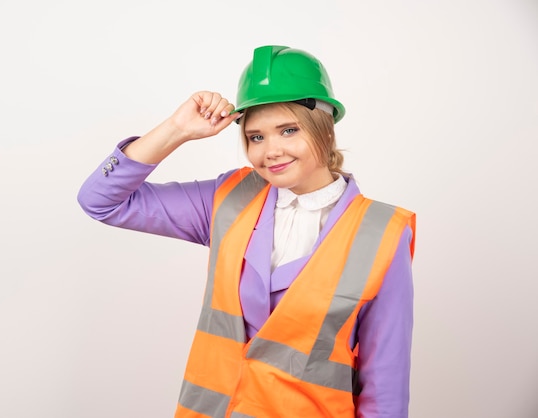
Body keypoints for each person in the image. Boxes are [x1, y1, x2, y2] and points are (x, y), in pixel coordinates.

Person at [77, 45, 416, 418]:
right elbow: (100, 201)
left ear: (325, 128)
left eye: (288, 130)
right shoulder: (227, 199)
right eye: (256, 137)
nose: (271, 150)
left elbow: (385, 379)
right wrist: (176, 129)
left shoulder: (382, 232)